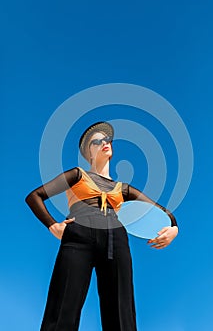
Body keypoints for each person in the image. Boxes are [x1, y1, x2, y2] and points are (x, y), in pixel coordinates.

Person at [25, 121, 178, 331]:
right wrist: (53, 225)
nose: (104, 142)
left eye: (107, 139)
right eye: (97, 141)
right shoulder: (77, 175)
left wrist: (173, 229)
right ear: (89, 152)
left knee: (121, 311)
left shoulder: (123, 188)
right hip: (78, 236)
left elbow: (164, 213)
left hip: (115, 239)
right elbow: (35, 196)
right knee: (63, 307)